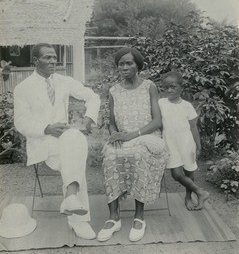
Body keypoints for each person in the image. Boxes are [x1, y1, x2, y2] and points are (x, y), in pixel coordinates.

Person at [14, 43, 100, 239]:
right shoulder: (23, 88)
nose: (54, 61)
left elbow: (92, 96)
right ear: (35, 60)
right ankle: (79, 219)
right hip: (43, 142)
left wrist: (90, 118)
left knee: (74, 139)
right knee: (76, 153)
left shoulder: (63, 81)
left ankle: (71, 198)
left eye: (55, 57)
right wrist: (46, 128)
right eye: (48, 57)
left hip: (66, 140)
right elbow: (20, 122)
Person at [97, 47, 168, 242]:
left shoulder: (149, 86)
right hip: (123, 137)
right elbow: (111, 122)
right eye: (121, 63)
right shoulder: (114, 91)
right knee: (110, 155)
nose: (125, 67)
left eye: (129, 63)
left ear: (138, 65)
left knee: (138, 155)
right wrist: (116, 135)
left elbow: (157, 121)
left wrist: (132, 135)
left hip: (147, 137)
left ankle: (139, 217)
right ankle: (113, 218)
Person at [158, 71, 209, 211]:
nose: (169, 90)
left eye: (173, 87)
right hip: (170, 143)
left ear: (181, 87)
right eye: (166, 87)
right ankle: (201, 192)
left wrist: (198, 146)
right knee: (176, 173)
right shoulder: (161, 103)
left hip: (186, 142)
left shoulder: (187, 105)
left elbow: (193, 128)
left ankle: (188, 197)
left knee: (189, 169)